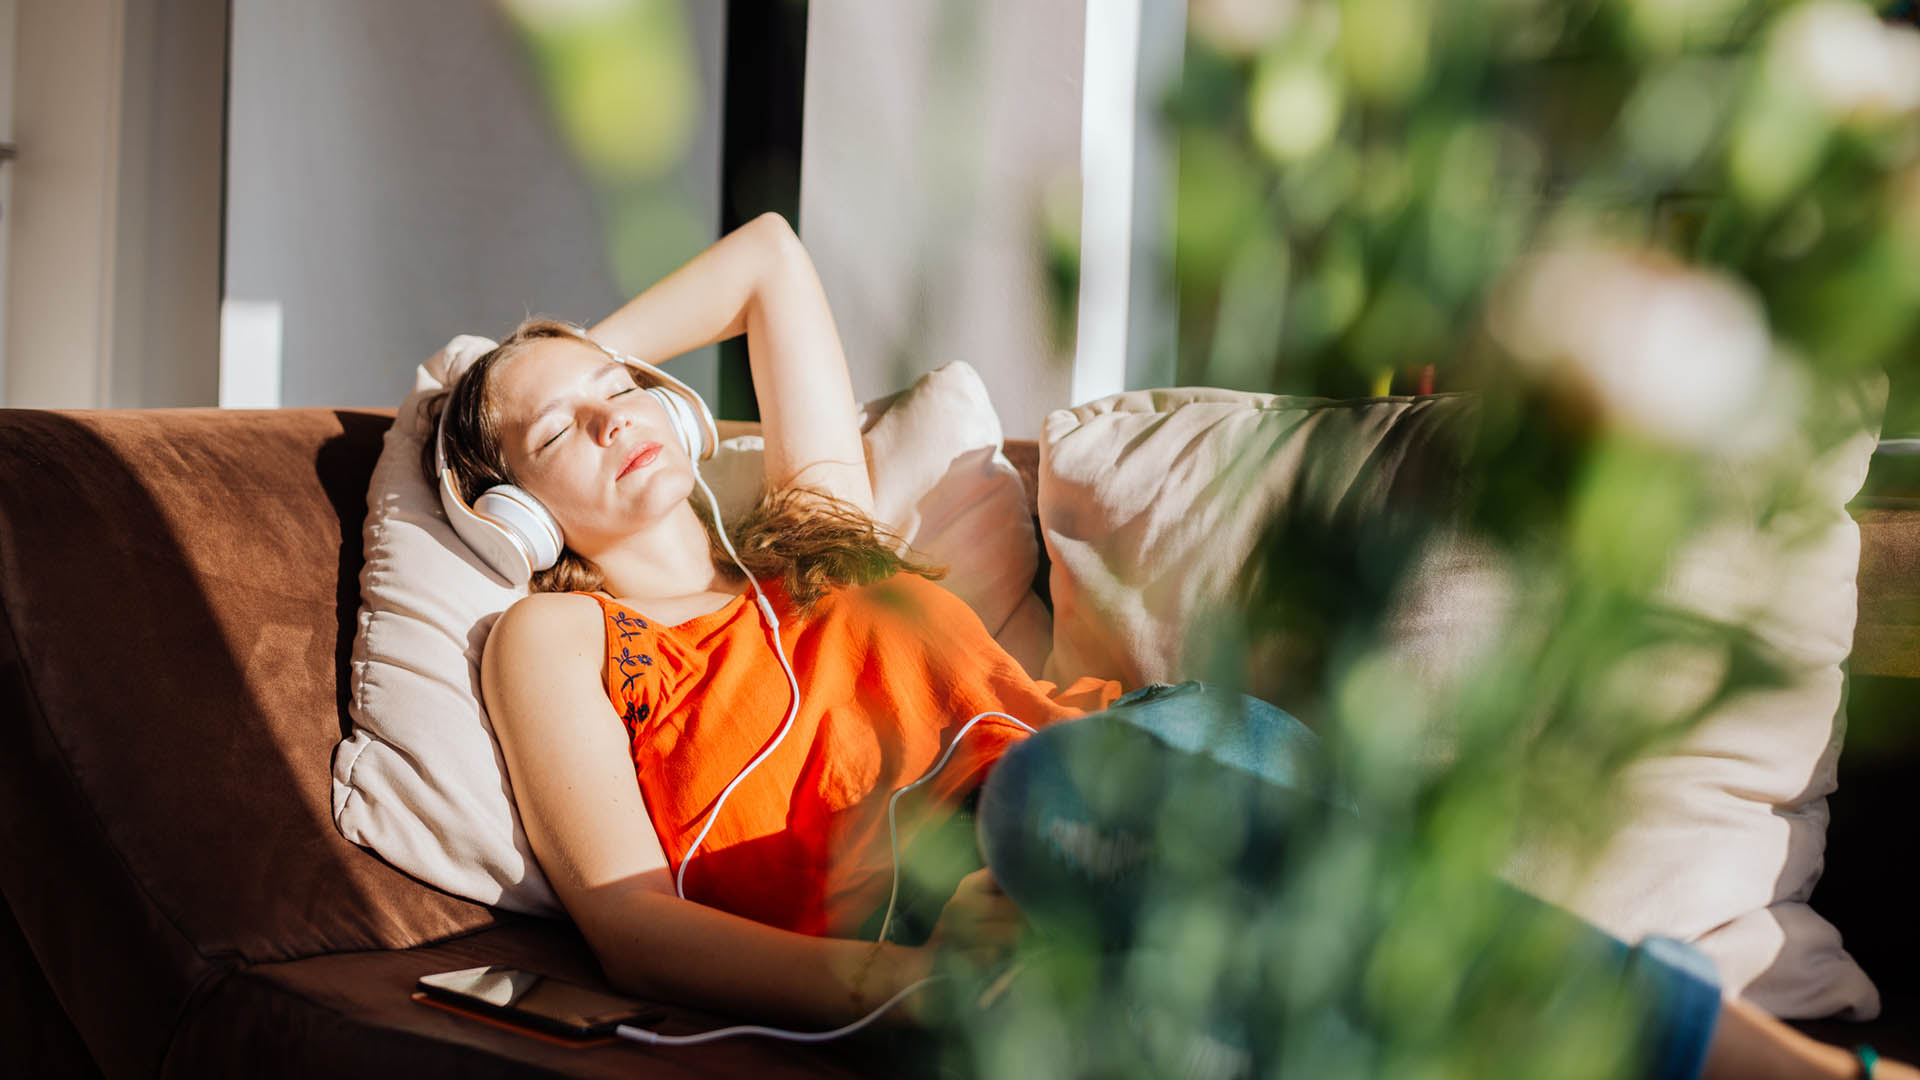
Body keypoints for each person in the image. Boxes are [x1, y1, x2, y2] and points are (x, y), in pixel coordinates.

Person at [427, 211, 1907, 1080]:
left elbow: (769, 258)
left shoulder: (817, 538)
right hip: (1000, 927)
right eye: (554, 430)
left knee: (1059, 797)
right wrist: (906, 988)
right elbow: (630, 926)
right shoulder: (552, 638)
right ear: (508, 513)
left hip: (1140, 772)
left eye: (623, 388)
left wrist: (561, 356)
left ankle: (1764, 1071)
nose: (614, 418)